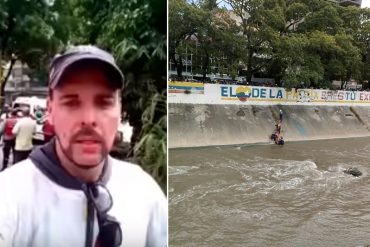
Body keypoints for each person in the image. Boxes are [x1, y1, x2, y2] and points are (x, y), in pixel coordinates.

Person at [0, 45, 167, 247]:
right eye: (71, 102)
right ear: (50, 110)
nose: (88, 120)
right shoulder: (10, 194)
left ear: (120, 109)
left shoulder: (144, 191)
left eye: (104, 102)